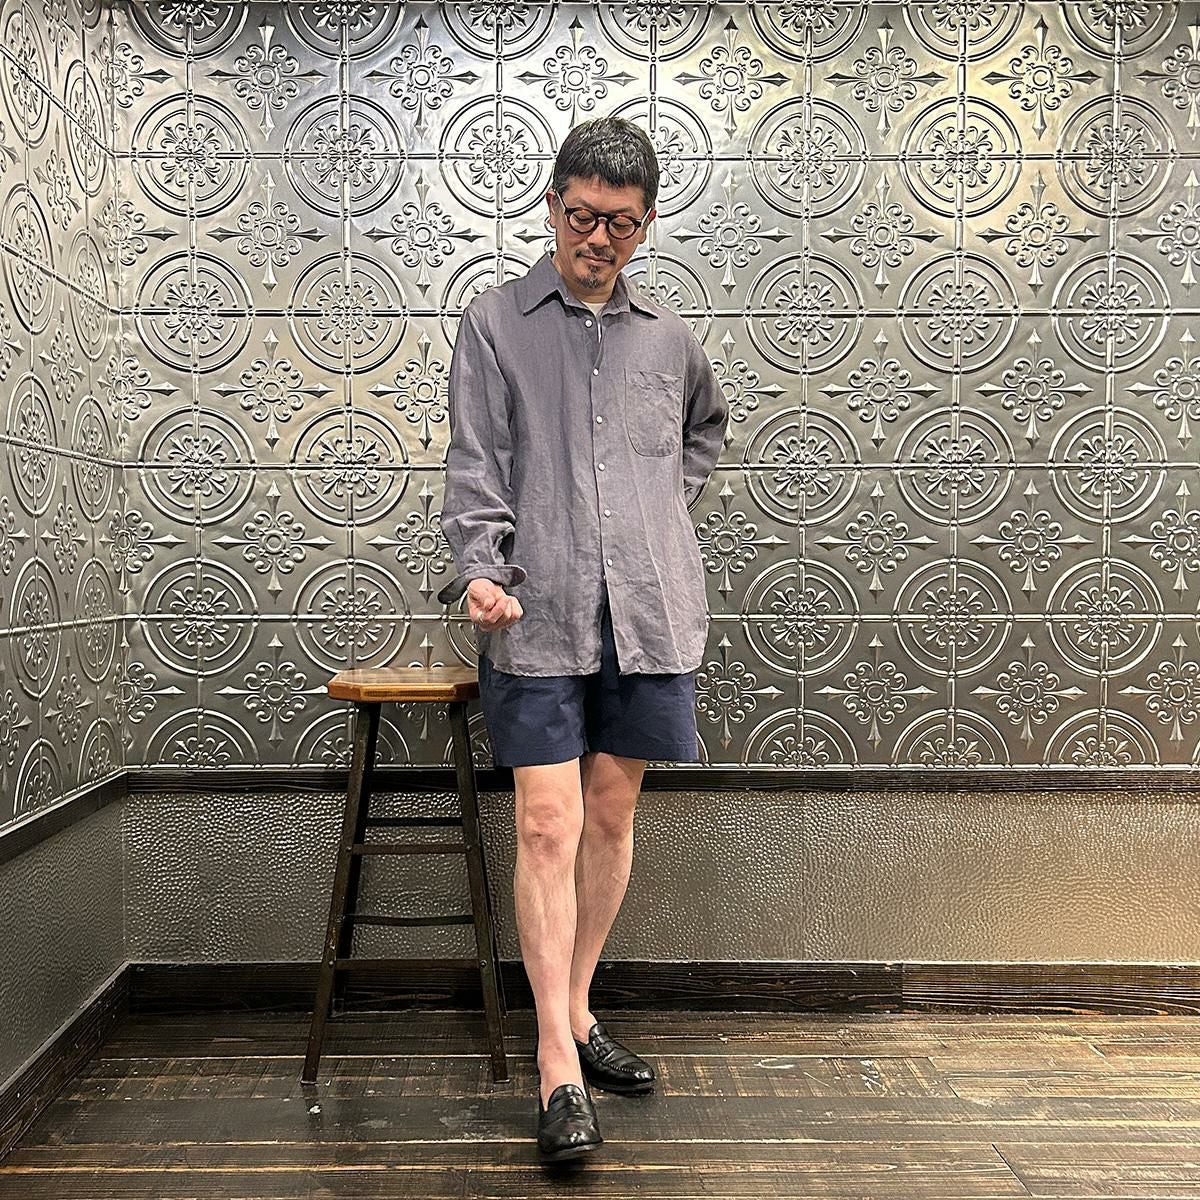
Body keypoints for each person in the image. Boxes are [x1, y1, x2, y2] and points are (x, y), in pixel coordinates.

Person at [436, 116, 728, 1161]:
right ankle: (557, 1060)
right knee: (547, 826)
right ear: (552, 204)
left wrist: (657, 516)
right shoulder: (495, 322)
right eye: (582, 215)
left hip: (649, 614)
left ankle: (578, 1006)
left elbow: (703, 432)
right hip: (536, 609)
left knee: (609, 815)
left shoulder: (669, 339)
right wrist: (479, 565)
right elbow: (475, 460)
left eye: (622, 223)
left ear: (645, 227)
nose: (598, 238)